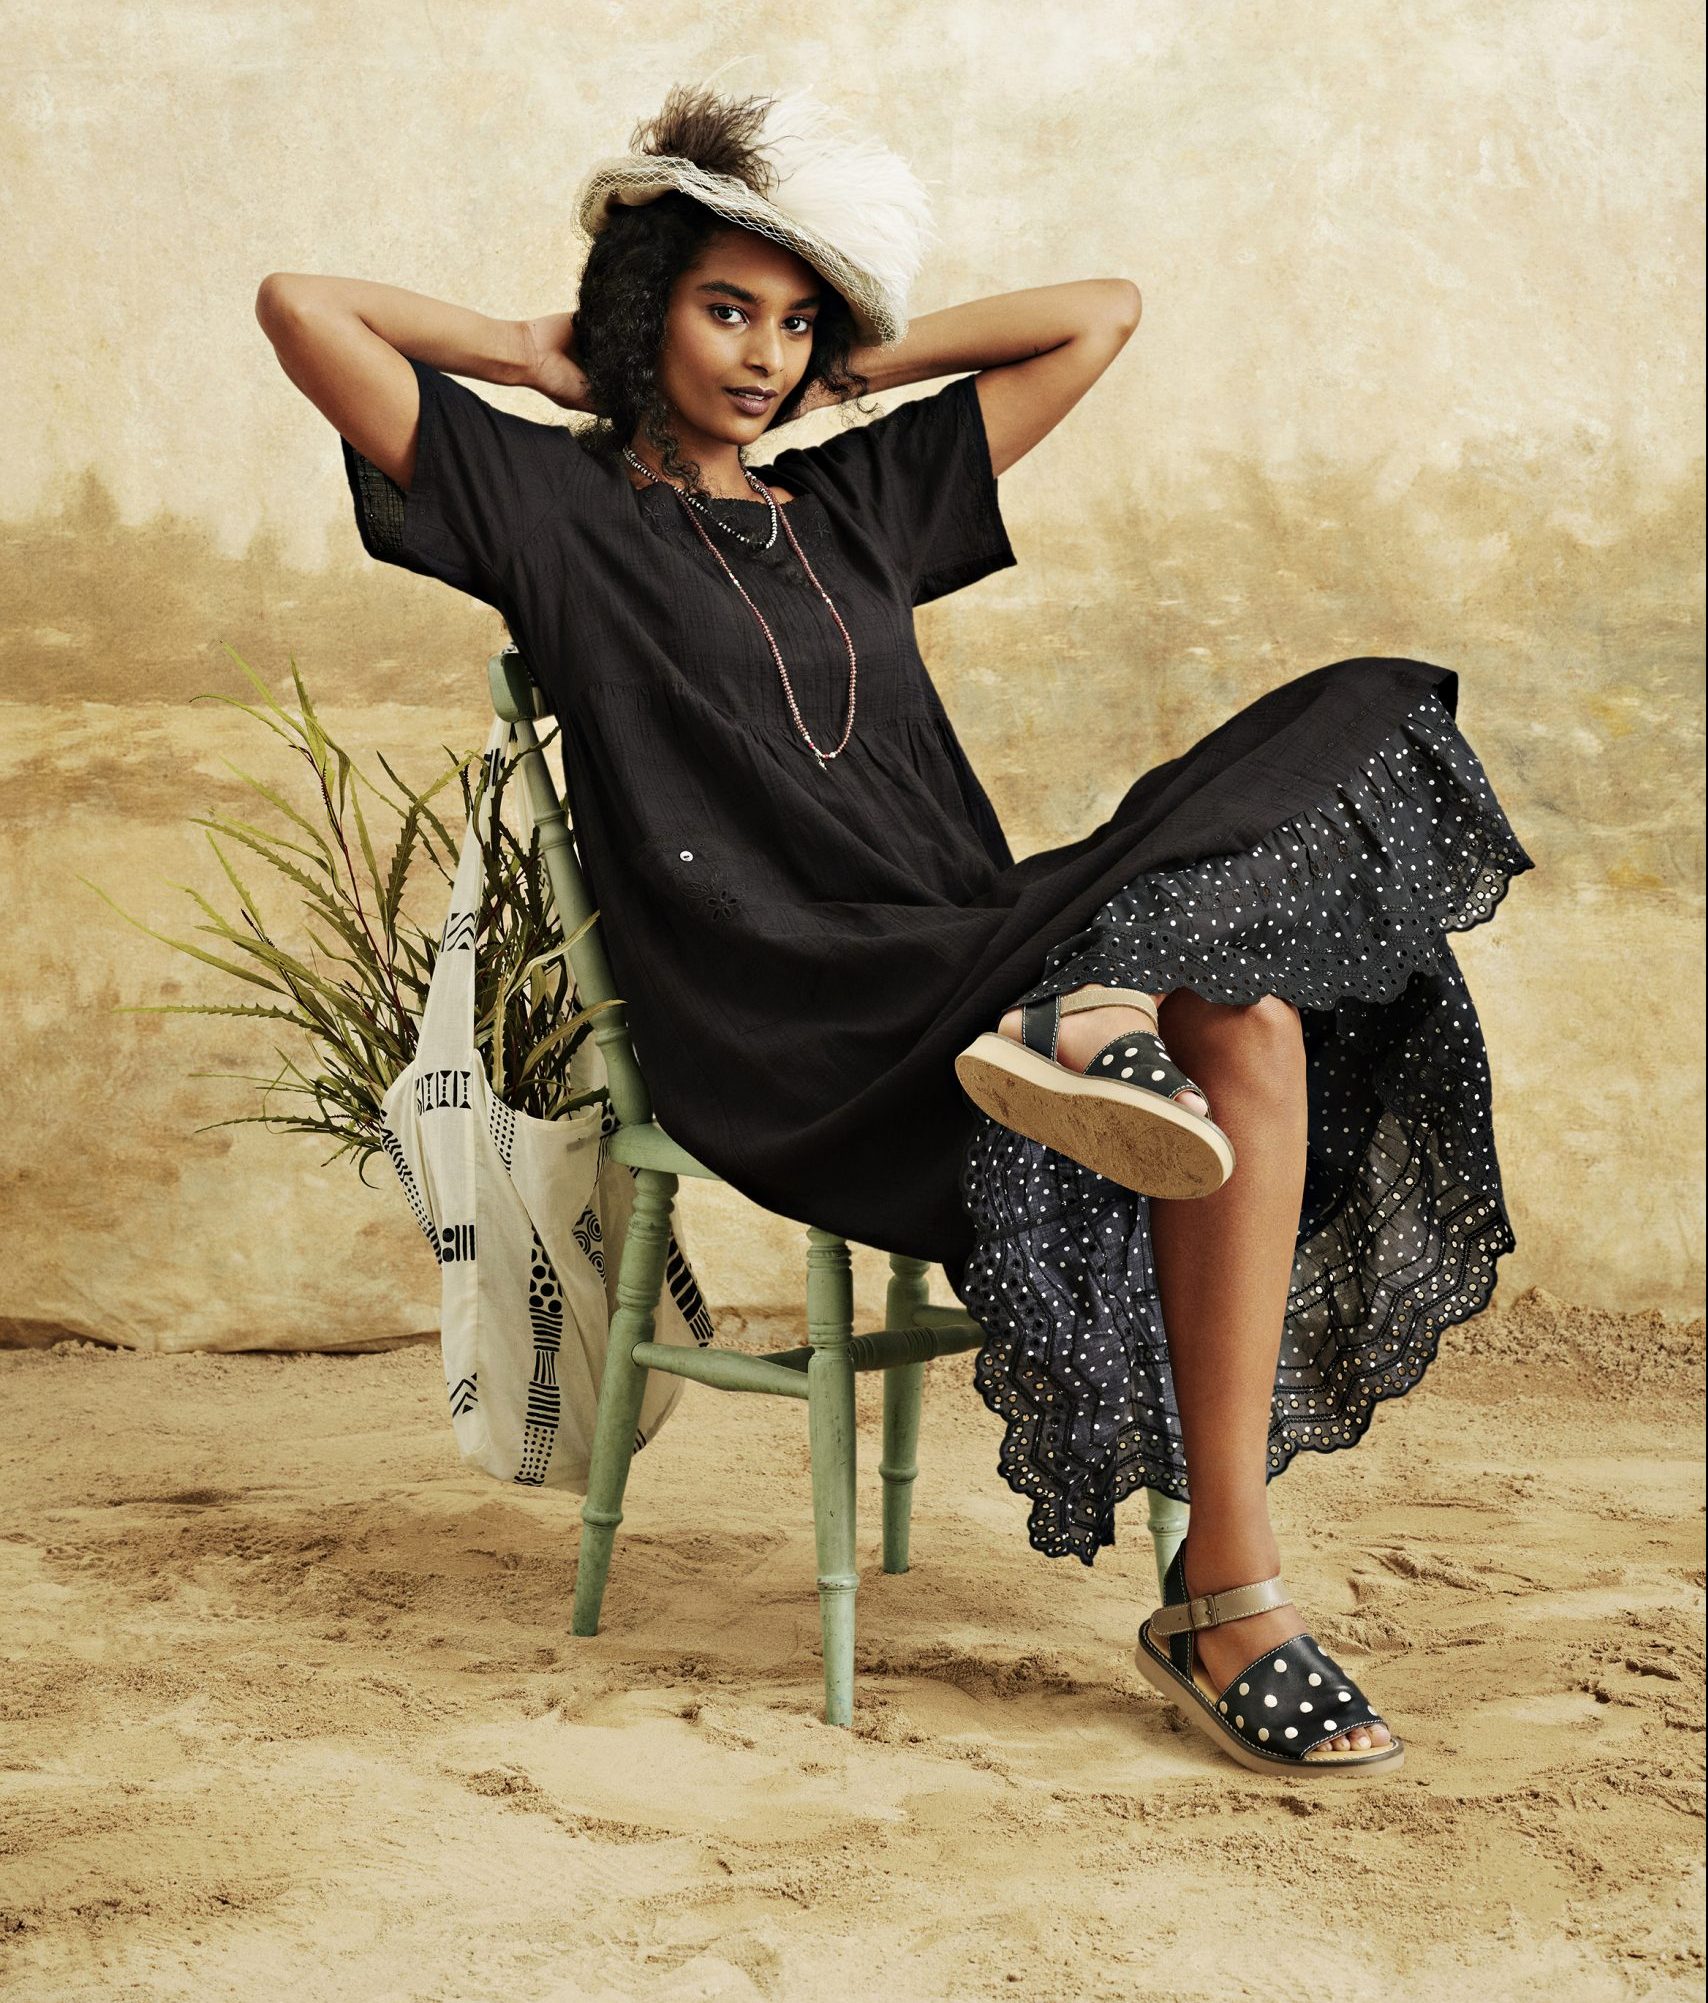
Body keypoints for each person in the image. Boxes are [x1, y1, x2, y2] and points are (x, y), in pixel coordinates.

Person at [255, 79, 1534, 1779]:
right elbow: (303, 306)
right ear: (649, 310)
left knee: (1278, 949)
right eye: (726, 309)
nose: (764, 356)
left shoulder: (859, 506)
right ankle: (1080, 1023)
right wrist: (538, 349)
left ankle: (1230, 1593)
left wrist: (854, 357)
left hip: (978, 969)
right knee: (1194, 994)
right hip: (794, 1027)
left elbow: (1099, 318)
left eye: (797, 322)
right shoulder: (543, 512)